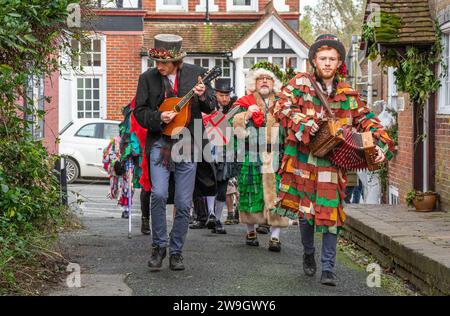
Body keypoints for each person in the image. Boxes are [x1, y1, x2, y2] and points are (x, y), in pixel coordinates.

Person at [273, 34, 395, 286]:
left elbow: (368, 120)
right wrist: (311, 126)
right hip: (303, 160)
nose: (327, 63)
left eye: (332, 58)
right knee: (306, 215)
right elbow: (281, 108)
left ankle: (328, 268)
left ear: (339, 61)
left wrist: (381, 144)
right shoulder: (299, 84)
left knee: (331, 216)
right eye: (322, 58)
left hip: (332, 163)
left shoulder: (348, 93)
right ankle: (308, 252)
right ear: (314, 60)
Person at [134, 34, 214, 271]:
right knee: (158, 194)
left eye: (163, 63)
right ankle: (159, 246)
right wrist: (158, 117)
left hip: (188, 142)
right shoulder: (147, 78)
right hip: (160, 142)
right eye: (156, 62)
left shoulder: (194, 73)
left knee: (182, 202)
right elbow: (139, 112)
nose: (158, 67)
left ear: (177, 62)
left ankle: (176, 251)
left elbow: (211, 105)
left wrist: (202, 94)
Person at [231, 62, 289, 252]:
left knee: (277, 195)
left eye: (268, 79)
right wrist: (246, 115)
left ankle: (275, 237)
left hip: (275, 155)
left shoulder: (283, 103)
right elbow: (232, 125)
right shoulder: (243, 102)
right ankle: (251, 230)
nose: (264, 82)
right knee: (250, 192)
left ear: (274, 84)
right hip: (251, 153)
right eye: (260, 79)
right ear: (253, 84)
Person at [202, 78, 239, 234]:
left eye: (227, 95)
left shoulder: (234, 109)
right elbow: (204, 126)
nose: (225, 98)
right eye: (221, 95)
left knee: (223, 187)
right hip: (209, 149)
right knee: (211, 184)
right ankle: (210, 214)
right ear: (215, 94)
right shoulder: (207, 108)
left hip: (227, 151)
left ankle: (217, 219)